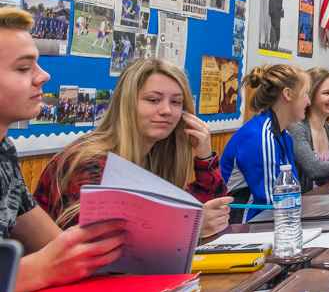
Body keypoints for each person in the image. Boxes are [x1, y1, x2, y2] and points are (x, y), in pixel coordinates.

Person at [0, 7, 129, 292]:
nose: (43, 76)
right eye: (23, 68)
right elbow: (49, 259)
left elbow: (57, 244)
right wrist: (40, 268)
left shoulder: (4, 152)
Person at [34, 59, 232, 238]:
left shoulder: (156, 157)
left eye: (176, 102)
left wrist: (204, 156)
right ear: (126, 104)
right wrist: (190, 228)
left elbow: (214, 217)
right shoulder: (88, 161)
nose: (166, 110)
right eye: (153, 100)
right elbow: (97, 244)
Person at [220, 64, 310, 223]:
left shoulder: (284, 136)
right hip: (240, 231)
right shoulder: (261, 138)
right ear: (288, 94)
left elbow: (292, 195)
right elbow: (272, 205)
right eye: (306, 93)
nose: (309, 102)